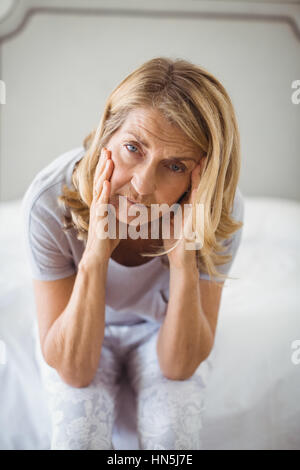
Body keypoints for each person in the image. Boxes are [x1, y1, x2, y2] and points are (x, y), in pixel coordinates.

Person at [21, 56, 244, 450]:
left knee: (172, 432)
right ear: (106, 133)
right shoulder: (48, 202)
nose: (142, 186)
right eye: (132, 148)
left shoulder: (217, 210)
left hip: (161, 327)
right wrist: (95, 255)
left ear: (202, 177)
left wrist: (183, 259)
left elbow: (179, 367)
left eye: (174, 166)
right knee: (79, 432)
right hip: (80, 320)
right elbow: (75, 372)